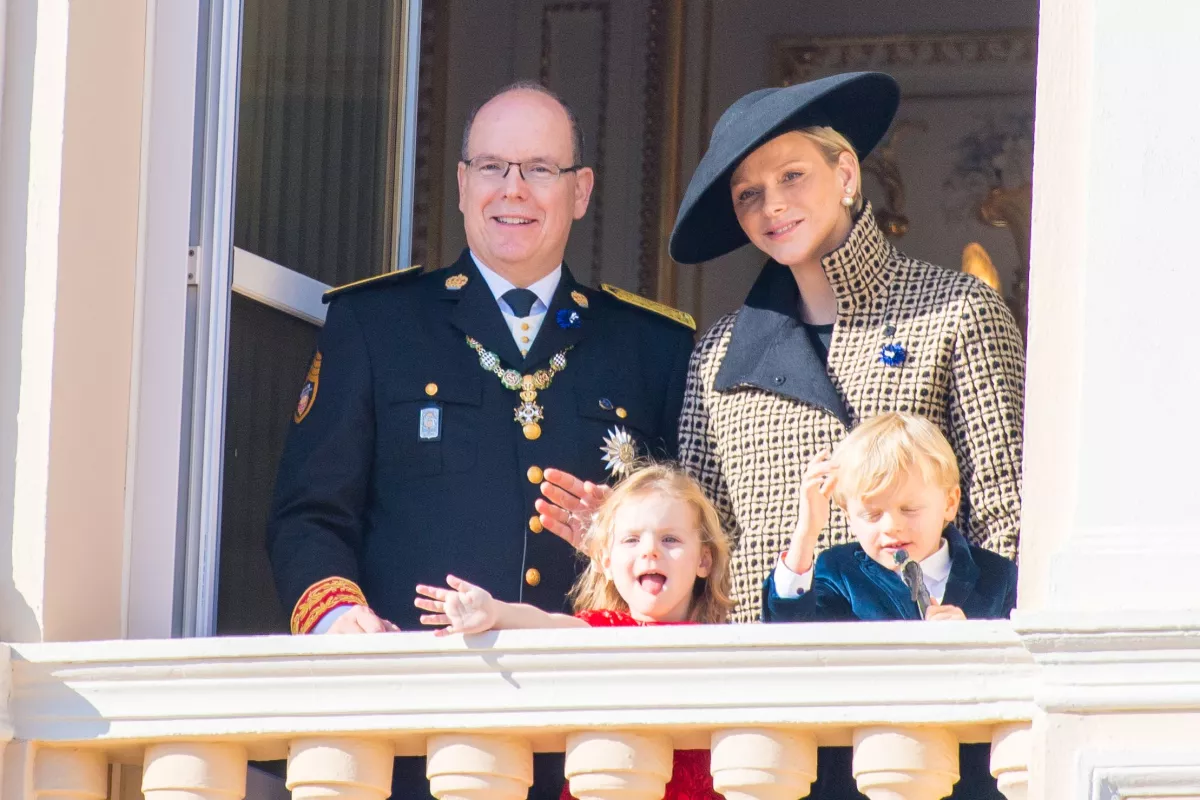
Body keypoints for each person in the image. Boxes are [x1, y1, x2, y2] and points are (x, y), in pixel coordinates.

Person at [266, 81, 695, 797]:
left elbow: (704, 543)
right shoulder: (377, 326)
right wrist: (338, 618)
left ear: (581, 191)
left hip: (596, 734)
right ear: (463, 187)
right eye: (492, 168)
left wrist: (620, 544)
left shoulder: (652, 348)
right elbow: (309, 513)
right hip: (414, 730)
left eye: (539, 169)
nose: (513, 190)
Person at [664, 71, 1026, 622]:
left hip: (920, 678)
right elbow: (702, 541)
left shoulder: (960, 310)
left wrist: (972, 637)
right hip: (761, 681)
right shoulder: (717, 353)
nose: (773, 205)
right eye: (749, 194)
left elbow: (1005, 514)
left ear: (846, 174)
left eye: (793, 175)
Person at [415, 463, 732, 800]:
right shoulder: (604, 631)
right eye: (631, 539)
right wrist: (494, 611)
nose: (650, 549)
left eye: (670, 538)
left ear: (704, 561)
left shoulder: (721, 643)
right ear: (605, 562)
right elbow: (547, 624)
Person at [761, 412, 1013, 800]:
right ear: (847, 517)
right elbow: (789, 633)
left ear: (949, 503)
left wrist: (979, 642)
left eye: (910, 509)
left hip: (971, 782)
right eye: (872, 515)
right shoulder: (837, 571)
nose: (891, 526)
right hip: (861, 779)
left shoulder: (998, 577)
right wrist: (806, 534)